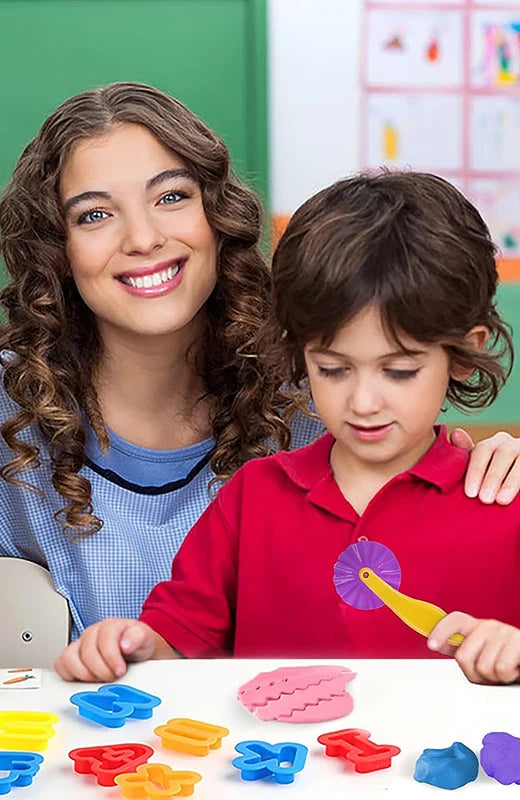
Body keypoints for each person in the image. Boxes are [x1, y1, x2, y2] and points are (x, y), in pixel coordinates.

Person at [0, 82, 520, 638]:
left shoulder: (317, 399)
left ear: (218, 217)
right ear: (55, 249)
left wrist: (498, 469)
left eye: (171, 197)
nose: (143, 238)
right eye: (94, 214)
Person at [54, 171, 520, 686]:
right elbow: (176, 637)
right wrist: (134, 644)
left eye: (400, 371)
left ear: (462, 354)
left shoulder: (505, 501)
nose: (363, 402)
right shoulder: (254, 497)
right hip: (275, 766)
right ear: (299, 353)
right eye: (333, 368)